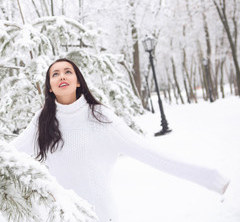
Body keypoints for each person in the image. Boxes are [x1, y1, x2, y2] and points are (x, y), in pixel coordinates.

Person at [12, 58, 230, 222]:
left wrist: (213, 179)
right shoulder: (42, 121)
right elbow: (9, 155)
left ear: (78, 81)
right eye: (55, 74)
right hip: (61, 216)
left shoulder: (99, 115)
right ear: (49, 87)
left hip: (100, 214)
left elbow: (149, 153)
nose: (62, 76)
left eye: (68, 72)